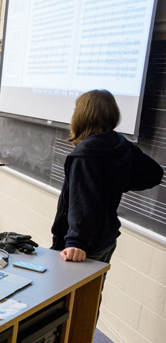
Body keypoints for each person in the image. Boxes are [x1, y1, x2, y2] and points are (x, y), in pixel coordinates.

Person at [51, 89, 162, 264]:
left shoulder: (86, 154)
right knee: (94, 291)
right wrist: (116, 183)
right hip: (106, 239)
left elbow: (83, 201)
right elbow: (154, 173)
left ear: (83, 115)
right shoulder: (119, 143)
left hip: (82, 248)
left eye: (75, 110)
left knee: (71, 291)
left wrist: (75, 242)